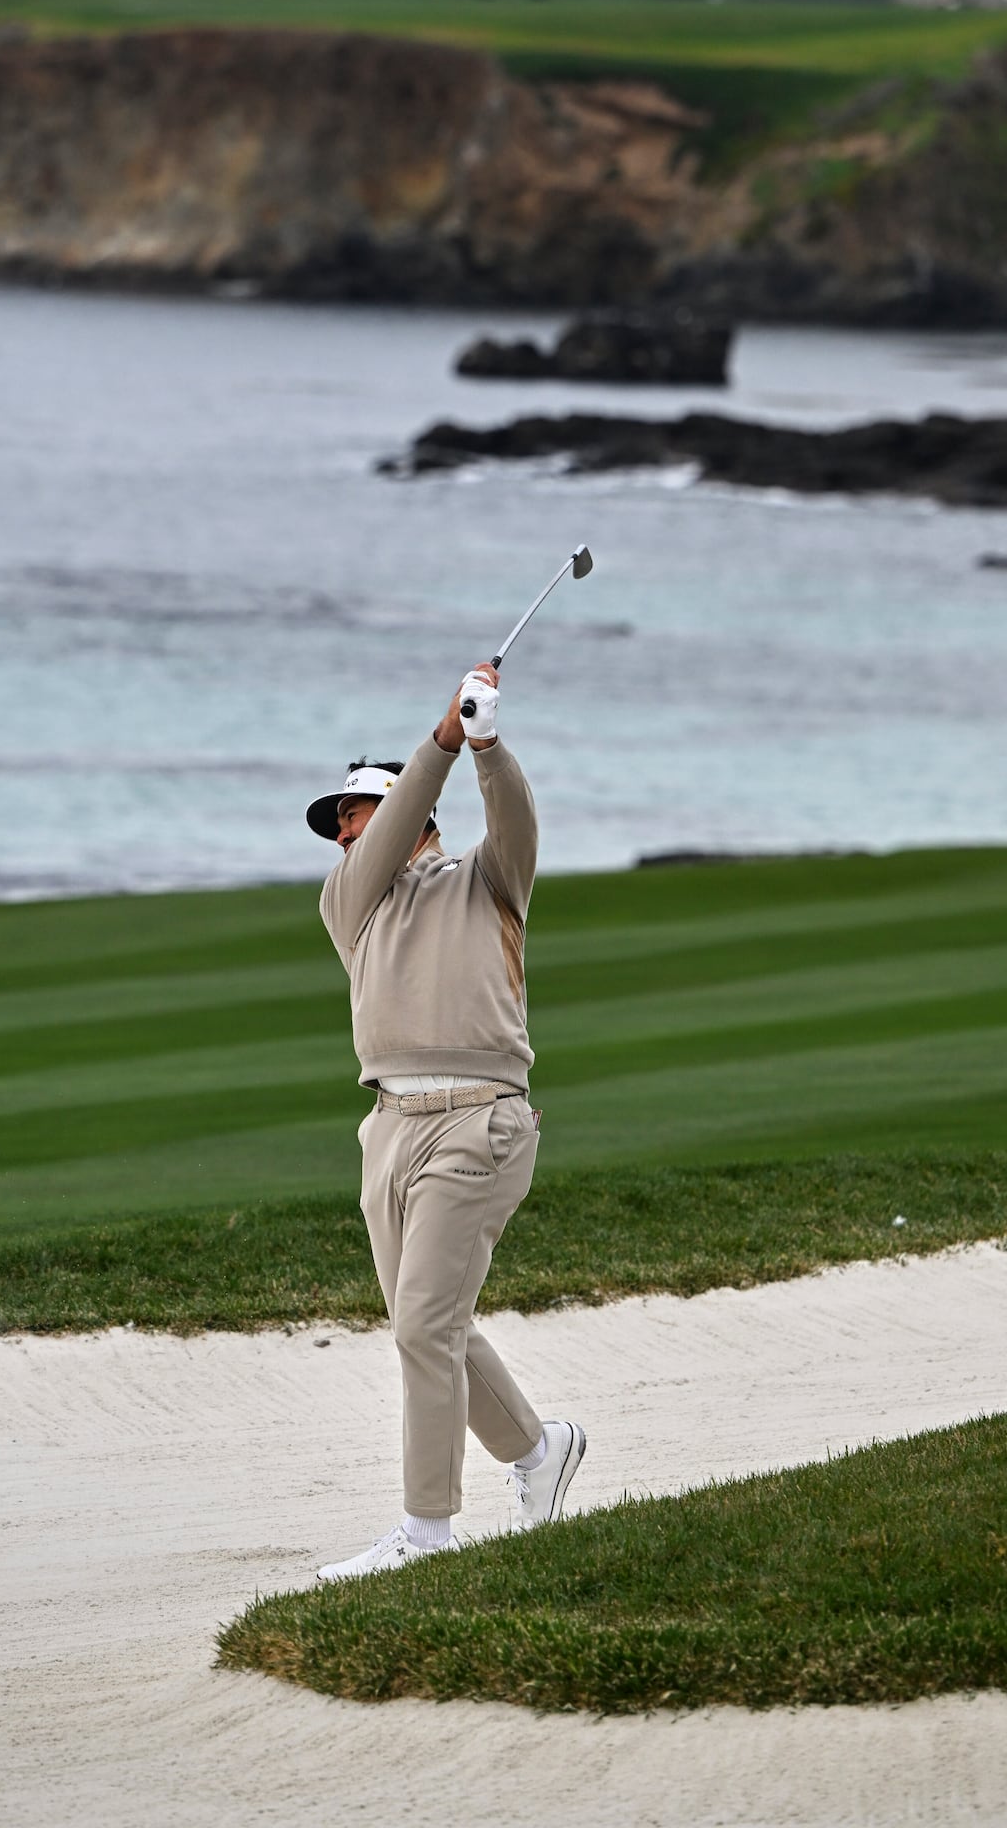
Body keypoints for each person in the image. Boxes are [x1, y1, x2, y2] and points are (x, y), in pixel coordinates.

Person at [305, 662, 585, 1580]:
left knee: (424, 1324)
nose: (345, 831)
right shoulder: (350, 903)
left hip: (480, 1124)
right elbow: (383, 841)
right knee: (437, 1323)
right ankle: (542, 1454)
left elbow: (517, 825)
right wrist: (441, 740)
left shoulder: (488, 882)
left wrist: (486, 745)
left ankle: (425, 1532)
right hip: (387, 1127)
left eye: (358, 814)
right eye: (344, 822)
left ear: (415, 818)